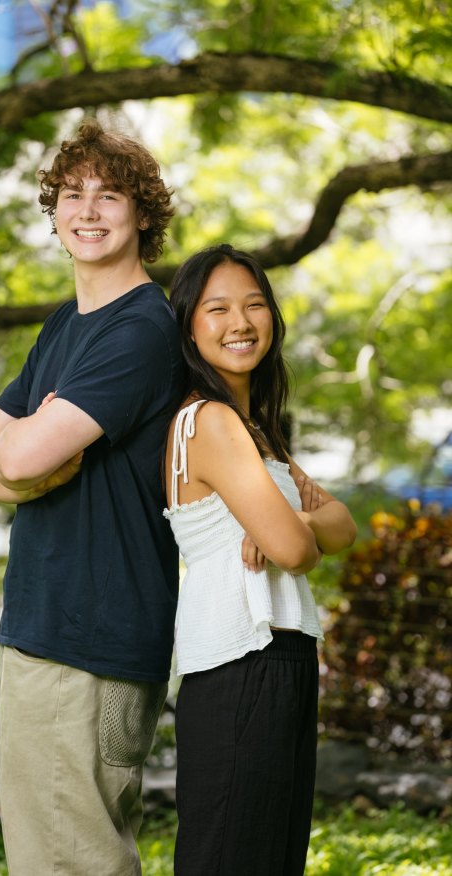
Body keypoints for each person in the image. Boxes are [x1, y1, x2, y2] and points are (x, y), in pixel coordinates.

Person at [0, 120, 184, 876]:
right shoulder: (68, 323)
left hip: (90, 634)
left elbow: (16, 454)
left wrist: (24, 459)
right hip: (48, 628)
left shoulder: (141, 329)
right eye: (71, 193)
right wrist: (26, 460)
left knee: (70, 861)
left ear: (144, 215)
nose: (87, 210)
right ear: (53, 210)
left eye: (110, 194)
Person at [164, 244, 357, 876]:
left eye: (253, 305)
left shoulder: (258, 431)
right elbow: (298, 553)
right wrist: (296, 531)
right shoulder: (208, 421)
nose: (240, 323)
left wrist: (298, 520)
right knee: (231, 856)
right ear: (189, 325)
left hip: (284, 654)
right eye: (217, 309)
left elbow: (340, 526)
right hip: (240, 661)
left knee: (274, 857)